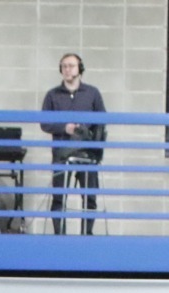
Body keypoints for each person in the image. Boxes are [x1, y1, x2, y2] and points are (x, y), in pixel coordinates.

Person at [39, 53, 105, 234]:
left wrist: (95, 146)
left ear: (80, 69)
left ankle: (87, 235)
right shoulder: (52, 95)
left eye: (71, 65)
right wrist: (64, 128)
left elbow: (102, 120)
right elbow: (44, 123)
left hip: (87, 153)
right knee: (59, 198)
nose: (67, 69)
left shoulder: (93, 93)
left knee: (89, 198)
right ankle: (60, 237)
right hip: (62, 153)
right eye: (64, 66)